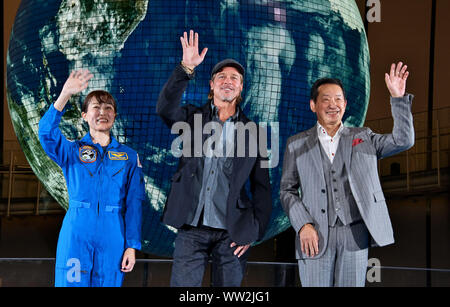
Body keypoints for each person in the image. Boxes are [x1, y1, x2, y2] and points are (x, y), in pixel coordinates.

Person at [280, 62, 414, 287]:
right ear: (313, 105)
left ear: (345, 104)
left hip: (355, 235)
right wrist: (303, 225)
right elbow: (286, 190)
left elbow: (404, 140)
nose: (333, 104)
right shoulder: (296, 145)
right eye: (326, 99)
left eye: (338, 99)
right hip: (314, 236)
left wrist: (398, 99)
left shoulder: (364, 137)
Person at [157, 30, 272, 287]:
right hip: (191, 229)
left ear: (241, 86)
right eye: (221, 77)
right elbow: (164, 109)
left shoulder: (255, 133)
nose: (228, 81)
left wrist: (254, 232)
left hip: (232, 234)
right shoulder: (192, 118)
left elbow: (262, 188)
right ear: (212, 85)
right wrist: (186, 68)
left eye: (234, 78)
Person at [38, 70, 145, 287]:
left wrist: (131, 246)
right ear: (84, 115)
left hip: (113, 233)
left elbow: (135, 203)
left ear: (115, 116)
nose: (102, 112)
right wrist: (65, 94)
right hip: (77, 231)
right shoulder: (71, 151)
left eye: (108, 108)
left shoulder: (130, 157)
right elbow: (46, 133)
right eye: (95, 107)